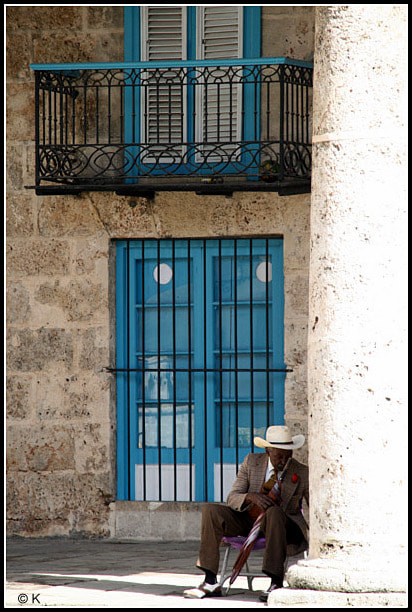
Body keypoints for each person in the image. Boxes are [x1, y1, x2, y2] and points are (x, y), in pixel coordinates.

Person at [183, 425, 309, 601]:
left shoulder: (301, 471)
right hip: (249, 520)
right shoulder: (252, 462)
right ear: (268, 451)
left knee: (273, 513)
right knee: (211, 511)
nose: (284, 460)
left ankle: (275, 581)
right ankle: (210, 580)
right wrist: (251, 497)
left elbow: (314, 507)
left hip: (283, 526)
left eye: (288, 455)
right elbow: (232, 497)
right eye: (279, 455)